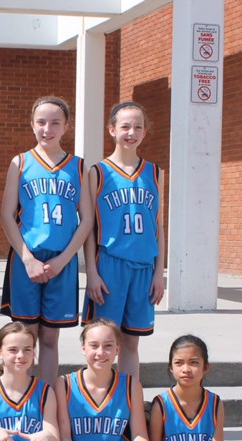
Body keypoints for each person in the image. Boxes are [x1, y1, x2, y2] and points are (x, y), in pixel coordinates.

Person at [0, 97, 94, 386]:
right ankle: (21, 396)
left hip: (60, 262)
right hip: (26, 259)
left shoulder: (78, 167)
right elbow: (6, 215)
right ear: (32, 124)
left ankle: (47, 399)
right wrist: (28, 258)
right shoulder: (21, 162)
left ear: (66, 126)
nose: (47, 128)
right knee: (24, 337)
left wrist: (64, 260)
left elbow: (87, 220)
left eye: (55, 122)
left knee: (50, 336)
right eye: (41, 122)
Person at [82, 101, 165, 378]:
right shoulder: (98, 172)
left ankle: (129, 400)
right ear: (112, 130)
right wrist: (91, 273)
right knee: (101, 342)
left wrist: (158, 273)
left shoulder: (155, 172)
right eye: (125, 126)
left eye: (138, 126)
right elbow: (89, 228)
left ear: (145, 132)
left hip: (142, 268)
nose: (131, 132)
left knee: (131, 342)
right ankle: (96, 400)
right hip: (110, 265)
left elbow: (158, 226)